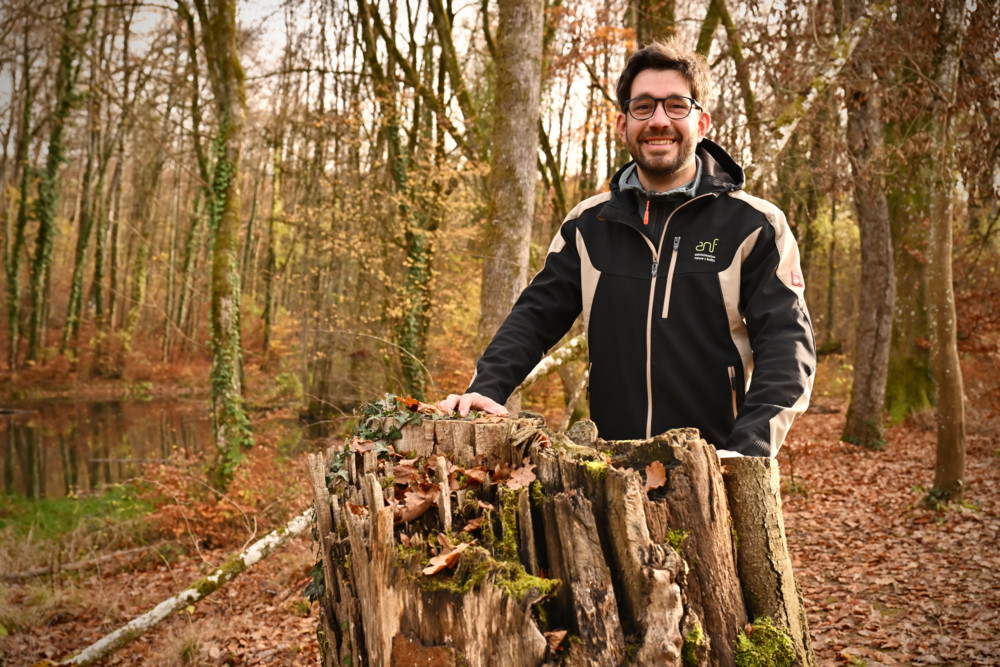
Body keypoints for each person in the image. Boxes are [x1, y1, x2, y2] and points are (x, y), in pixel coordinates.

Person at [440, 39, 816, 458]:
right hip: (611, 473)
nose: (659, 120)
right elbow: (535, 315)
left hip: (717, 473)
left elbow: (787, 346)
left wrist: (750, 449)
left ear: (702, 122)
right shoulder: (588, 223)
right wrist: (486, 388)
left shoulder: (755, 225)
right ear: (623, 125)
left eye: (676, 105)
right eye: (643, 107)